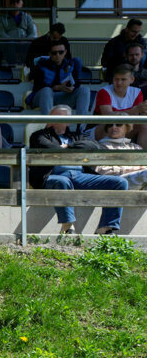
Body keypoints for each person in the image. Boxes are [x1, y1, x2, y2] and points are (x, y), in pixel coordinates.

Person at [32, 105, 127, 235]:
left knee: (120, 183)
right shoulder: (39, 135)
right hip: (53, 175)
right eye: (52, 116)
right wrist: (71, 149)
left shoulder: (76, 136)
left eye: (59, 117)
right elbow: (50, 148)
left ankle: (106, 227)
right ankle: (68, 226)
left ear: (68, 121)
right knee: (63, 182)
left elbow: (95, 146)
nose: (53, 119)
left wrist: (69, 146)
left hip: (80, 175)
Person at [29, 40, 91, 115]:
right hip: (43, 98)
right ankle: (49, 124)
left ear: (65, 52)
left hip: (63, 96)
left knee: (84, 90)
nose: (57, 55)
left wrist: (71, 87)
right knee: (46, 91)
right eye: (54, 53)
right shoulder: (41, 65)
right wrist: (57, 87)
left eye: (60, 52)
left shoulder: (71, 65)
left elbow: (77, 83)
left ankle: (81, 124)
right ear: (50, 54)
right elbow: (38, 86)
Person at [93, 63, 147, 146]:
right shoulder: (104, 91)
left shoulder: (137, 92)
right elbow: (108, 116)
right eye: (116, 79)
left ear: (132, 80)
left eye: (123, 79)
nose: (119, 82)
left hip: (122, 128)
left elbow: (133, 119)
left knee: (143, 123)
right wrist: (135, 110)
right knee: (112, 124)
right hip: (98, 129)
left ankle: (143, 155)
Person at [95, 122, 147, 189]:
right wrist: (128, 169)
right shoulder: (101, 147)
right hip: (116, 181)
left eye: (118, 124)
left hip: (138, 180)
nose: (113, 127)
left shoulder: (135, 147)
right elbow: (101, 170)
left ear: (127, 127)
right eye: (110, 125)